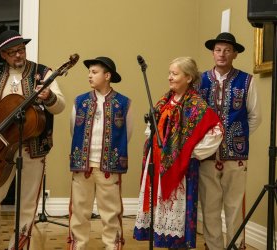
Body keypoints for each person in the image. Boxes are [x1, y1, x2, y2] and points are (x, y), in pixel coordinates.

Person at [0, 30, 65, 250]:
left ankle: (19, 247)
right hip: (0, 149)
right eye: (12, 52)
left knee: (26, 204)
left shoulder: (43, 73)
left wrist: (49, 97)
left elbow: (60, 106)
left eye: (21, 49)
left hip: (32, 148)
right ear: (3, 55)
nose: (18, 55)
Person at [133, 57, 223, 249]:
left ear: (188, 77)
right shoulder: (165, 100)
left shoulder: (196, 105)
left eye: (174, 74)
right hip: (158, 163)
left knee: (178, 218)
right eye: (169, 73)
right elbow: (153, 127)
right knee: (159, 211)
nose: (169, 77)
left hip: (181, 169)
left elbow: (216, 131)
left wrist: (189, 152)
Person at [198, 32, 262, 250]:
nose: (222, 54)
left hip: (236, 157)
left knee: (234, 206)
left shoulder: (246, 81)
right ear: (213, 52)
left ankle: (234, 246)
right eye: (218, 49)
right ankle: (213, 247)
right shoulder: (200, 80)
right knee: (209, 207)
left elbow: (255, 117)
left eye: (227, 50)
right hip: (206, 156)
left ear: (235, 54)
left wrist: (237, 137)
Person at [67, 56, 133, 250]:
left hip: (109, 167)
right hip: (83, 166)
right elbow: (74, 130)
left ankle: (112, 246)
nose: (89, 76)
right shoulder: (80, 101)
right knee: (79, 211)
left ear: (107, 75)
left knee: (111, 213)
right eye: (89, 72)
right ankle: (77, 245)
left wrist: (110, 153)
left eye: (94, 72)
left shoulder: (123, 103)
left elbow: (127, 134)